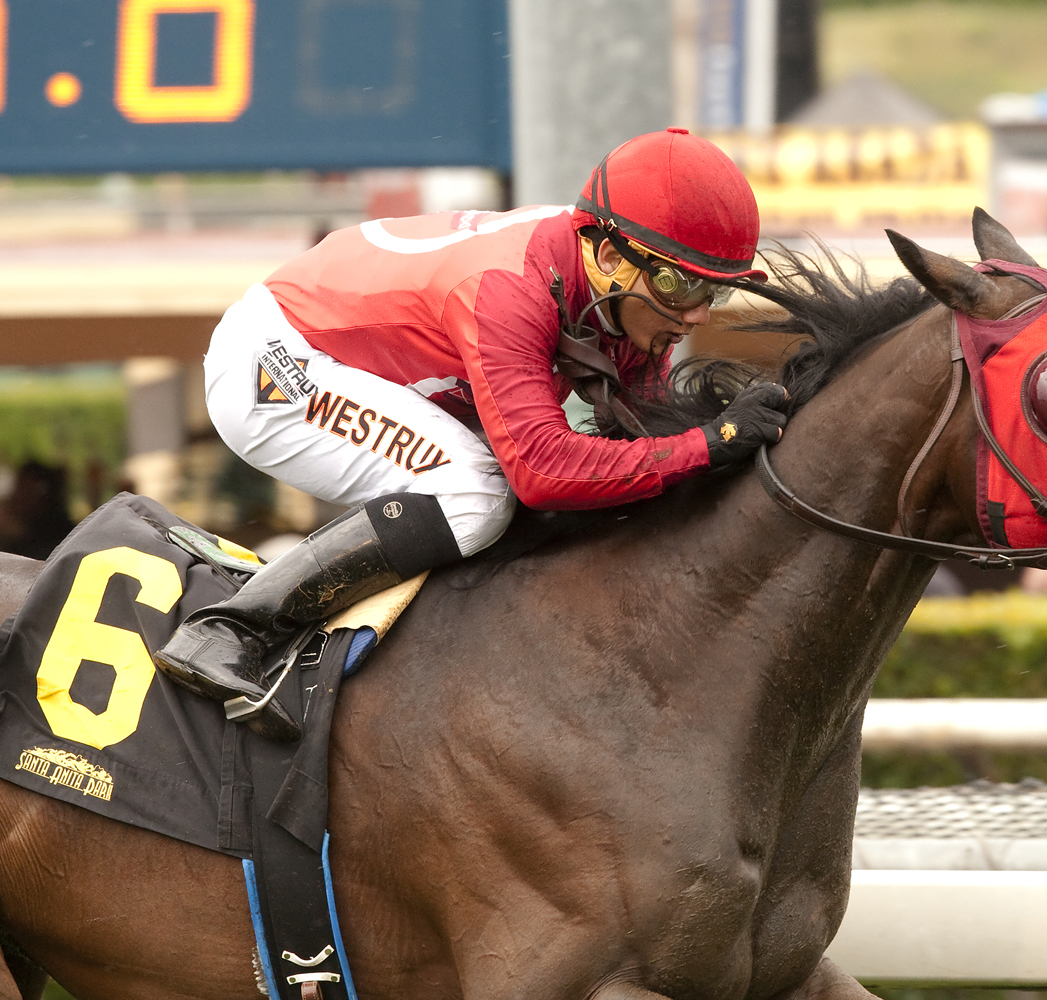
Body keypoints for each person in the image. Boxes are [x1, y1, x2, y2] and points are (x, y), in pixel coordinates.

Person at [153, 128, 789, 741]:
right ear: (609, 258)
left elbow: (638, 451)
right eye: (681, 284)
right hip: (275, 366)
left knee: (499, 494)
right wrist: (713, 440)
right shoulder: (509, 289)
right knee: (477, 493)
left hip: (344, 355)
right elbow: (543, 471)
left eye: (717, 292)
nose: (699, 314)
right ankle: (233, 631)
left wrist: (721, 448)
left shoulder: (612, 295)